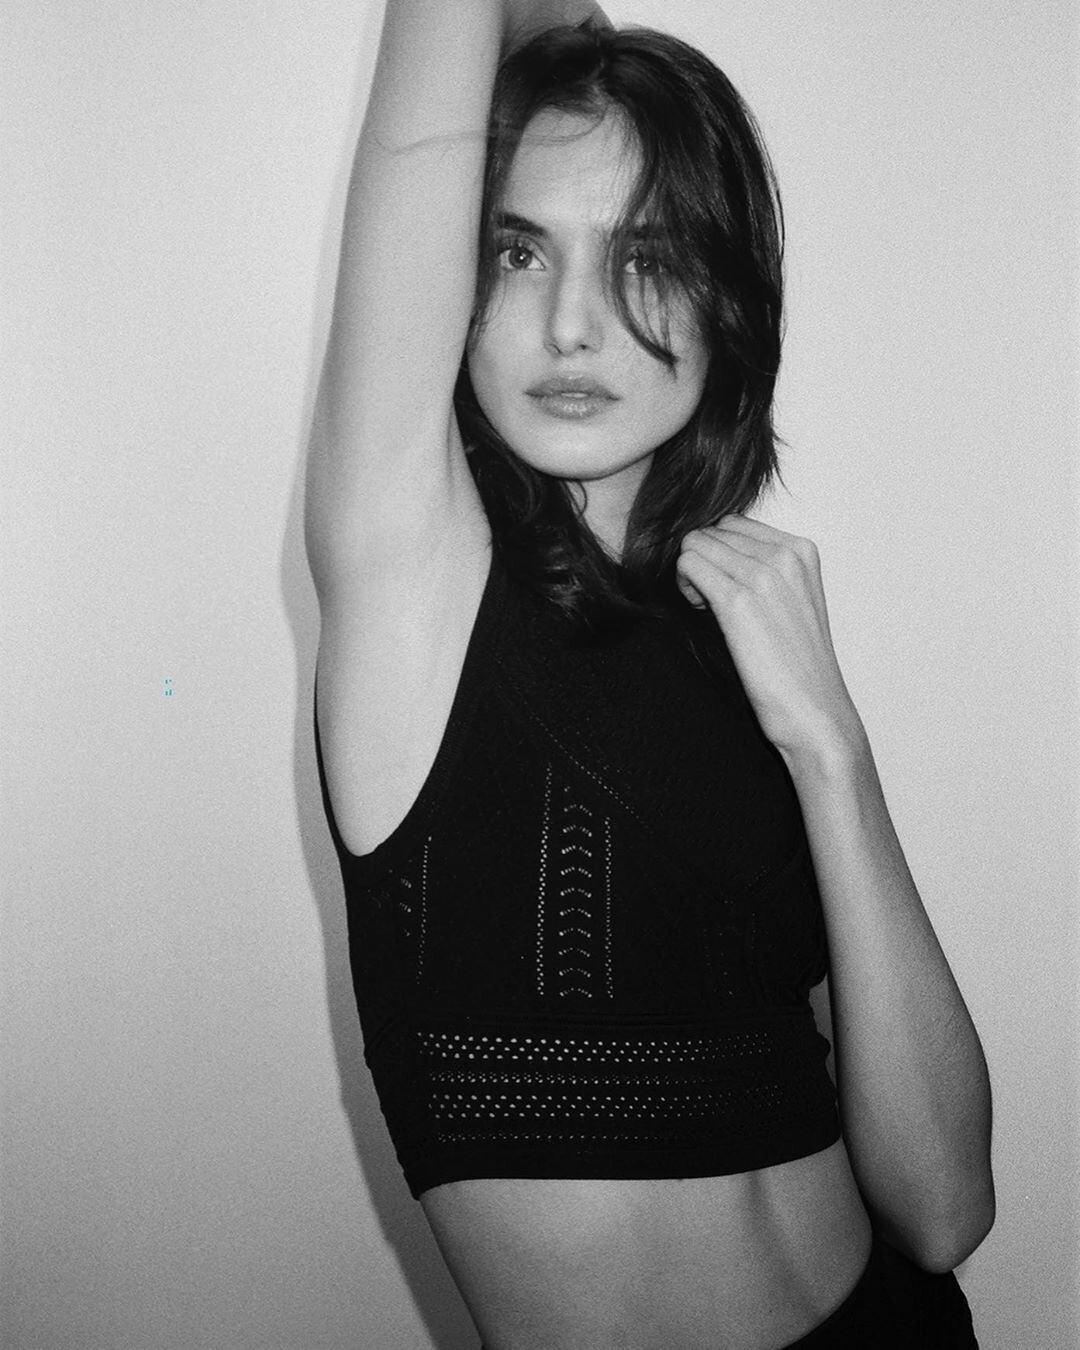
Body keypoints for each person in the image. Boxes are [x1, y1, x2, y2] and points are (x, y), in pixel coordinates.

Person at [305, 1, 995, 1345]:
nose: (573, 323)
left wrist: (830, 746)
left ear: (728, 298)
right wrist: (591, 59)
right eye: (517, 251)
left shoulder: (747, 644)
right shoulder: (409, 574)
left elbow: (945, 1207)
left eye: (649, 256)